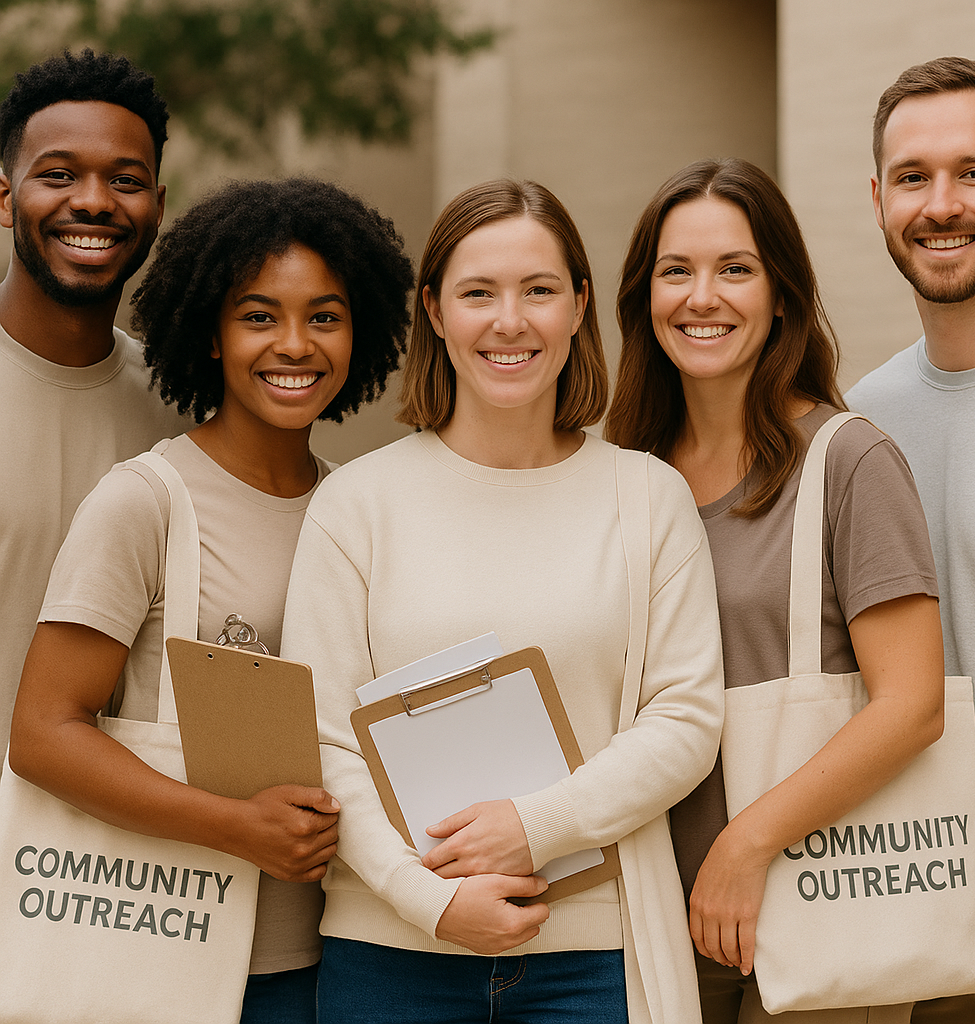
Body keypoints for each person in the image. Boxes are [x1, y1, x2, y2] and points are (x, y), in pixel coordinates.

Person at [280, 178, 725, 1024]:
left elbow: (687, 718)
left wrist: (536, 824)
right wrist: (430, 901)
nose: (509, 321)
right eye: (478, 293)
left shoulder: (647, 496)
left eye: (539, 291)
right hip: (389, 958)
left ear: (579, 307)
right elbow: (321, 737)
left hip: (594, 960)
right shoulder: (357, 505)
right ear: (436, 314)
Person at [9, 176, 413, 1022]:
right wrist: (234, 825)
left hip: (334, 951)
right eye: (259, 316)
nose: (294, 345)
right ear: (212, 335)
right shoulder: (146, 501)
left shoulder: (358, 509)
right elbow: (42, 735)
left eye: (325, 316)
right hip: (162, 949)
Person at [605, 158, 945, 1024]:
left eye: (736, 269)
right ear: (645, 297)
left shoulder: (849, 461)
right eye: (675, 271)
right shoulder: (623, 478)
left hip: (819, 898)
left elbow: (912, 705)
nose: (701, 297)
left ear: (783, 294)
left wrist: (746, 843)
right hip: (650, 916)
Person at [846, 56, 975, 1024]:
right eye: (912, 177)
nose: (940, 204)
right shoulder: (861, 421)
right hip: (896, 917)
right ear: (877, 201)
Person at [0, 48, 189, 756]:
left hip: (103, 855)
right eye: (57, 175)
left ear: (158, 209)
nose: (92, 201)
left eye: (125, 180)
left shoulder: (183, 411)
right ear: (5, 197)